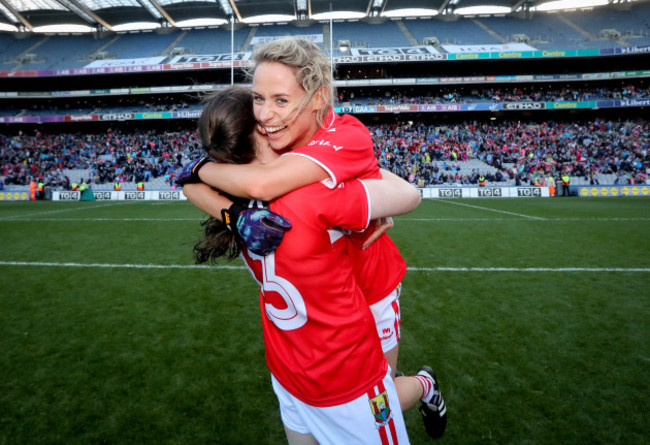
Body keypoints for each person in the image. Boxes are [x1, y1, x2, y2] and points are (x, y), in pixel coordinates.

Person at [181, 38, 447, 438]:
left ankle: (425, 386)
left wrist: (199, 170)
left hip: (371, 289)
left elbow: (408, 195)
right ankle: (423, 385)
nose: (267, 117)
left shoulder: (339, 138)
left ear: (317, 98)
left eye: (281, 101)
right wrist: (227, 205)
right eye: (258, 100)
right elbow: (255, 181)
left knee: (380, 393)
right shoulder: (278, 169)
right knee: (376, 399)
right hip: (318, 328)